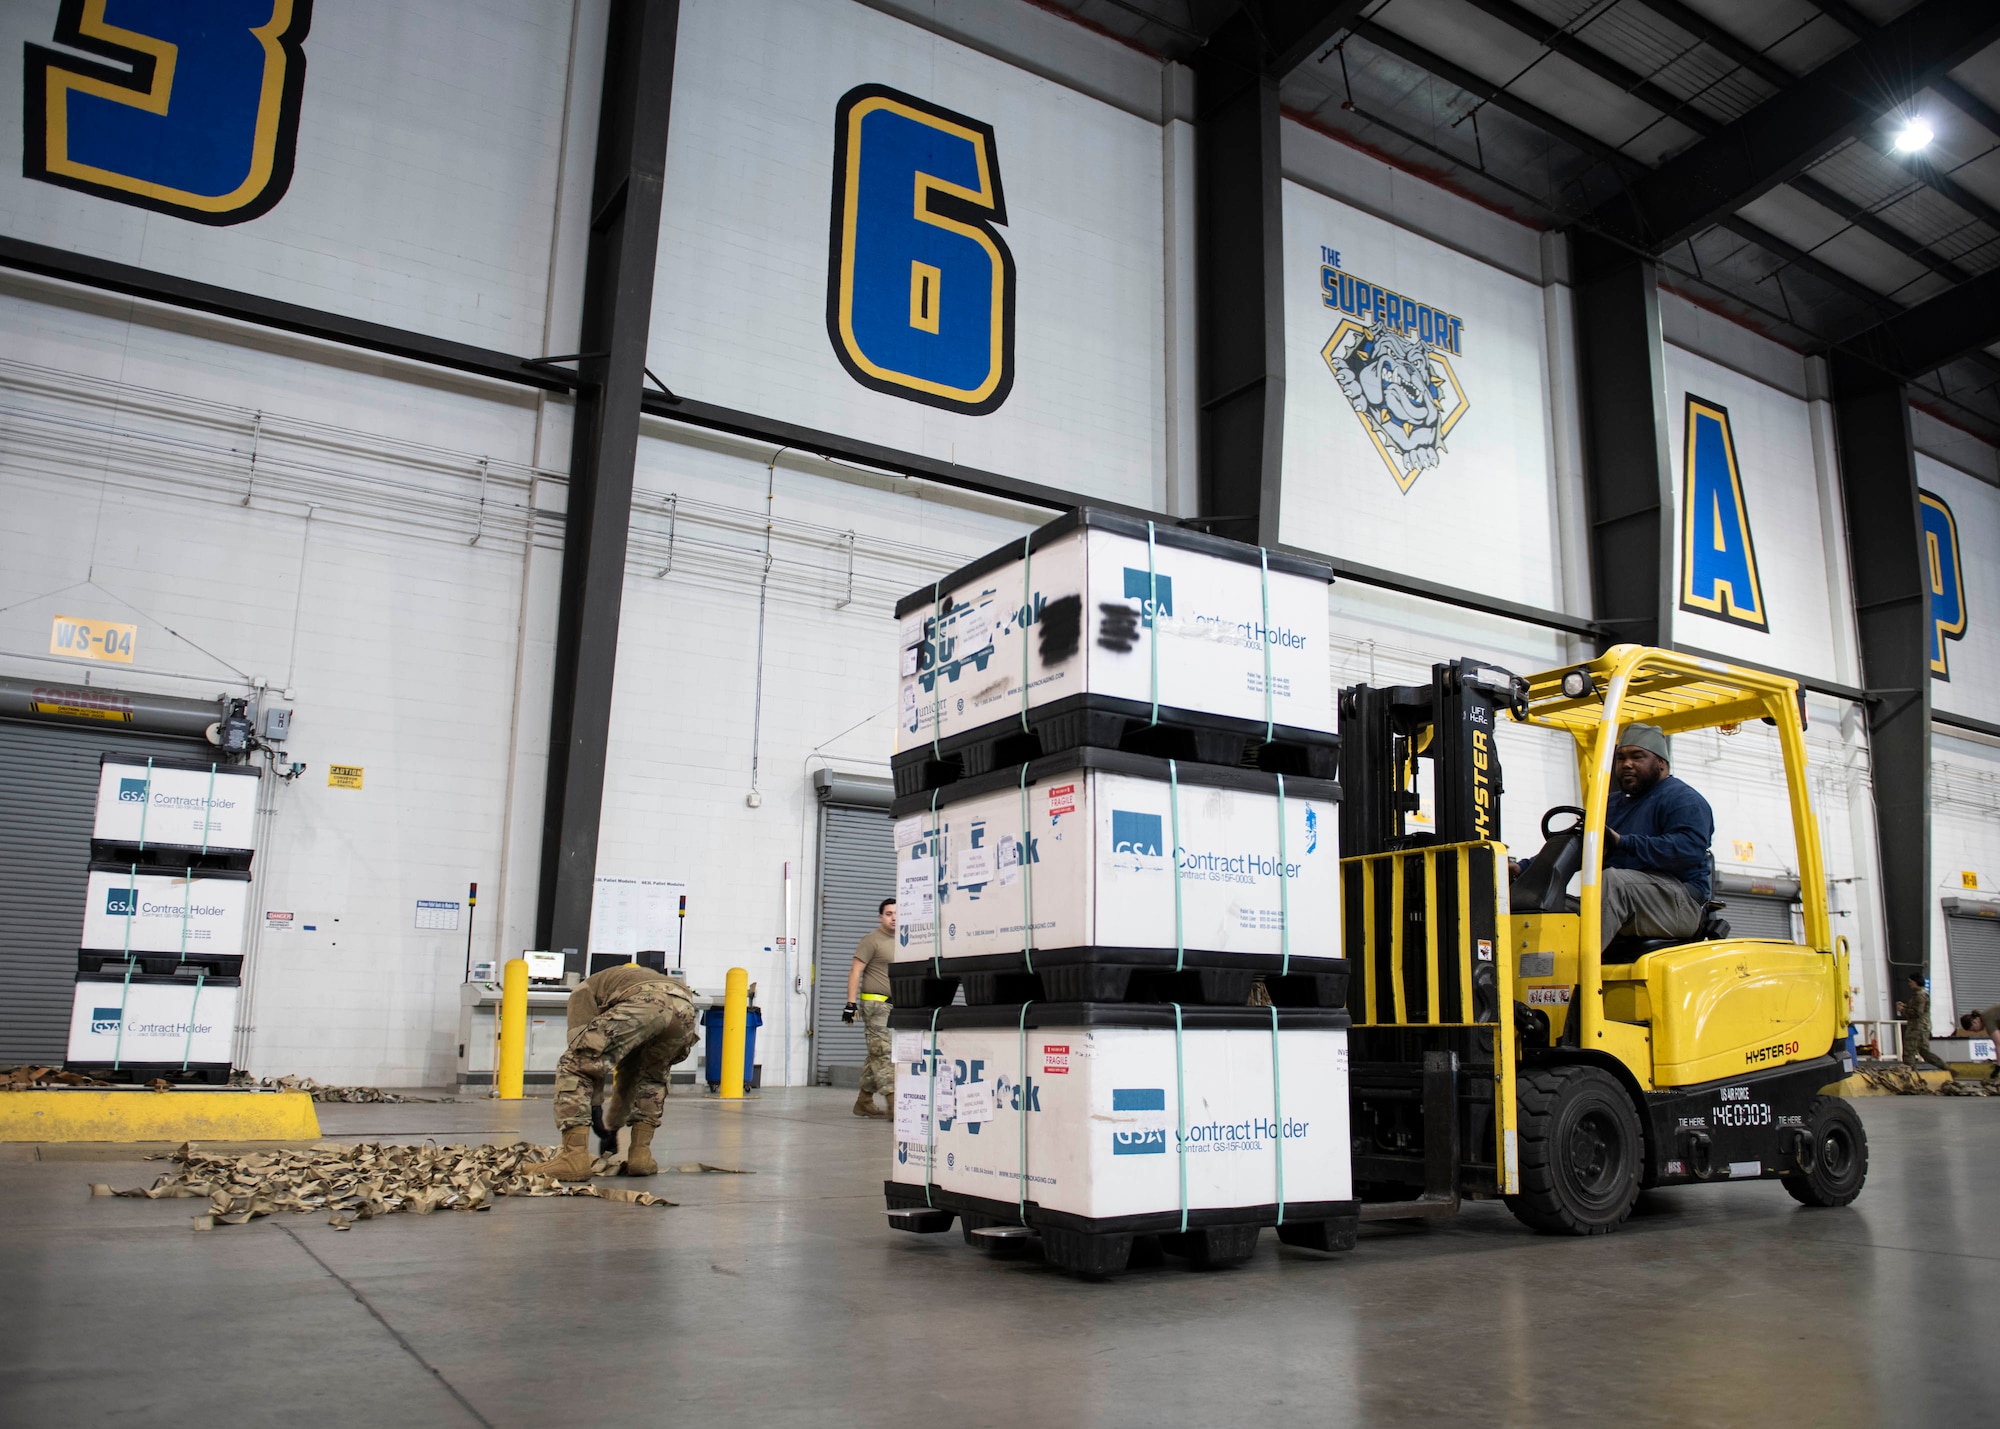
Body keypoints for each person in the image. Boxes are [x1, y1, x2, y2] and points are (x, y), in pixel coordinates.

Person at [526, 962, 698, 1181]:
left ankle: (573, 1158)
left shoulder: (582, 991)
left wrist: (595, 1108)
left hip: (647, 1002)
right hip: (684, 1008)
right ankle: (640, 1156)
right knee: (651, 1078)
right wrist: (612, 1126)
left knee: (574, 1065)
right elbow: (629, 1072)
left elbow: (586, 1061)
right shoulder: (624, 981)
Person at [1582, 723, 1715, 953]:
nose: (1627, 764)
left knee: (1613, 882)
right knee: (1557, 905)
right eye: (1621, 758)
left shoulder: (1683, 799)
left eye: (1637, 757)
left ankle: (1578, 976)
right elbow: (1580, 846)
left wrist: (1623, 843)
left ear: (1661, 763)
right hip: (1635, 897)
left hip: (1680, 902)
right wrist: (1524, 869)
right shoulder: (1611, 805)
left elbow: (1688, 851)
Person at [841, 897, 896, 1119]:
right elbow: (856, 970)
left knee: (877, 1051)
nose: (894, 917)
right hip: (875, 1005)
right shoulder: (872, 940)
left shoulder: (906, 941)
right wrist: (850, 1003)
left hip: (896, 1005)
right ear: (880, 917)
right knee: (883, 1052)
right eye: (889, 914)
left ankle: (864, 1101)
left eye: (897, 913)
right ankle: (895, 1103)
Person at [1897, 973, 1949, 1072]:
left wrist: (1902, 1010)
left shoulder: (1920, 995)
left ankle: (1910, 1073)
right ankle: (1945, 1067)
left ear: (1916, 982)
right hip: (1923, 1027)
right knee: (1924, 1051)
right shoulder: (1922, 994)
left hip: (1917, 1027)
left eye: (1911, 982)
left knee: (1909, 1051)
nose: (1909, 984)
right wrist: (1905, 1006)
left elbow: (1917, 1012)